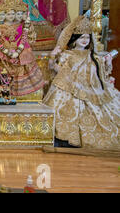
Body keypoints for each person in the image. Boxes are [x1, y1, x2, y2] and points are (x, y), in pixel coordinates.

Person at [43, 14, 119, 150]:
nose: (85, 40)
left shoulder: (94, 57)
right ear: (75, 39)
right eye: (81, 37)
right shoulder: (68, 55)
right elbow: (57, 70)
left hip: (92, 90)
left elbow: (103, 74)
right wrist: (53, 56)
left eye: (87, 37)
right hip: (69, 89)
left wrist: (107, 62)